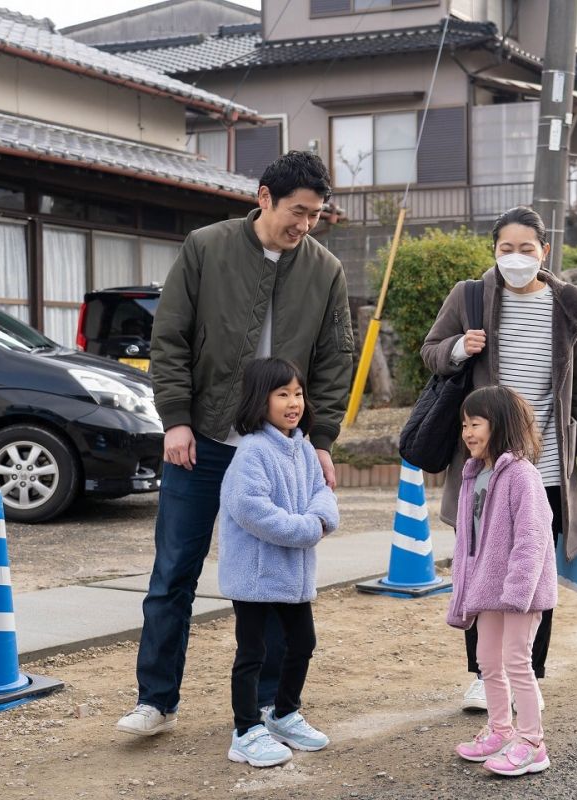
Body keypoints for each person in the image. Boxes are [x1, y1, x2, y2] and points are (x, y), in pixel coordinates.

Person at [116, 152, 354, 736]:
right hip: (203, 440)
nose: (306, 225)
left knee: (277, 576)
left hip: (282, 448)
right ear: (264, 196)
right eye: (298, 211)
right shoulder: (206, 247)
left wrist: (320, 439)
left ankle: (273, 706)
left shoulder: (325, 269)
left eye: (317, 216)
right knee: (174, 571)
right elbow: (168, 338)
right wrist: (174, 418)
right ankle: (156, 699)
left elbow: (334, 360)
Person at [422, 206, 577, 712]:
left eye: (528, 249)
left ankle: (528, 673)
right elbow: (431, 350)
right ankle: (484, 675)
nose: (517, 257)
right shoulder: (471, 296)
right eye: (507, 249)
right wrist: (460, 347)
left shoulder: (568, 307)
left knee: (534, 572)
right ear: (494, 252)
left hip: (542, 469)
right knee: (481, 567)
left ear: (544, 252)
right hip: (482, 465)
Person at [218, 358, 338, 767]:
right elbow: (251, 509)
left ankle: (283, 714)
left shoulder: (303, 447)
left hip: (292, 574)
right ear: (260, 399)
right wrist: (307, 528)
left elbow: (322, 490)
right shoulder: (251, 451)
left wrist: (320, 517)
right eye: (282, 394)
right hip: (255, 574)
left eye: (298, 393)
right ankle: (245, 729)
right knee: (252, 651)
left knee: (302, 642)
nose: (293, 402)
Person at [446, 386, 557, 776]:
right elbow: (469, 540)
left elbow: (533, 536)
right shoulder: (474, 474)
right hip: (487, 589)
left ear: (501, 425)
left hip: (519, 593)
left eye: (475, 423)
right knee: (487, 661)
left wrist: (519, 591)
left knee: (516, 661)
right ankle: (500, 729)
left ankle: (532, 743)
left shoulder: (522, 475)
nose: (467, 433)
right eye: (464, 425)